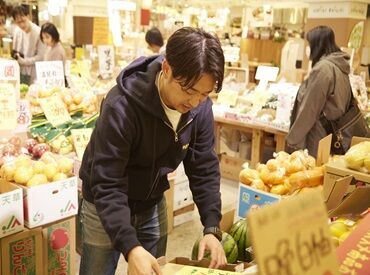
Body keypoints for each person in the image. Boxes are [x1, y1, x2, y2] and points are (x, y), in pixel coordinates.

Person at [79, 27, 226, 275]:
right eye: (189, 91)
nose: (195, 102)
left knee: (156, 270)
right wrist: (131, 247)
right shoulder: (122, 106)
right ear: (166, 69)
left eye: (205, 94)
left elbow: (203, 167)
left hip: (151, 199)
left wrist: (212, 227)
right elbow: (108, 181)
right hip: (104, 203)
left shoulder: (199, 108)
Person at [287, 26, 352, 157]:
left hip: (318, 136)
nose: (308, 49)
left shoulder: (323, 69)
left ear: (317, 45)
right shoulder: (339, 67)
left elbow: (310, 108)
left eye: (309, 44)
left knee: (313, 173)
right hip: (333, 134)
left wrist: (292, 139)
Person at [11, 5, 46, 84]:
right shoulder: (17, 31)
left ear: (29, 17)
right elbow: (14, 51)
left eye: (23, 21)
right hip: (19, 72)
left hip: (34, 73)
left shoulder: (38, 32)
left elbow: (41, 56)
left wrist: (24, 61)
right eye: (18, 22)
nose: (22, 25)